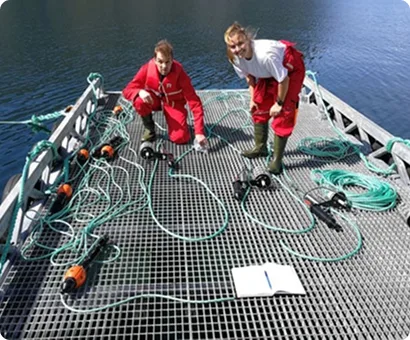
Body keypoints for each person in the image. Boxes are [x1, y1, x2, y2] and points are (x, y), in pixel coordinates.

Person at [224, 22, 305, 174]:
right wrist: (252, 98)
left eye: (241, 43)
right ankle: (260, 148)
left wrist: (279, 103)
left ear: (248, 39)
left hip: (289, 69)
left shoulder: (265, 55)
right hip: (267, 72)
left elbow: (283, 79)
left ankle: (277, 160)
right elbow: (249, 76)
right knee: (258, 108)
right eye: (233, 47)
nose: (238, 49)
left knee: (284, 114)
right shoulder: (234, 58)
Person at [123, 40, 207, 146]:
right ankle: (149, 129)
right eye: (160, 61)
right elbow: (127, 90)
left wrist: (199, 132)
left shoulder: (180, 73)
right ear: (155, 60)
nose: (164, 66)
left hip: (173, 104)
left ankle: (181, 122)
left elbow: (194, 102)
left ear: (172, 60)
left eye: (167, 62)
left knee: (180, 138)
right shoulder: (147, 68)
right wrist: (140, 91)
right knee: (139, 101)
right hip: (155, 101)